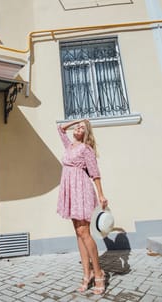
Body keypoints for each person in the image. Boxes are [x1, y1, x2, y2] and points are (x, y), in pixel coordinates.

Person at [57, 118, 108, 295]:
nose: (78, 128)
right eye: (77, 127)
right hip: (70, 190)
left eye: (82, 128)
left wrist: (101, 194)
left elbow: (95, 173)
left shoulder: (86, 149)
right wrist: (80, 120)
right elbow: (60, 128)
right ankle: (87, 274)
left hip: (81, 189)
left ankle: (99, 273)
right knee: (78, 232)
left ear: (86, 133)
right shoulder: (69, 145)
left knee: (84, 232)